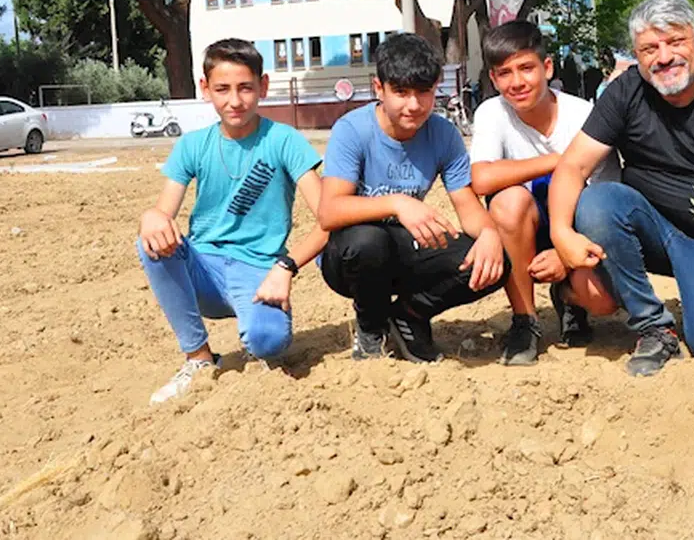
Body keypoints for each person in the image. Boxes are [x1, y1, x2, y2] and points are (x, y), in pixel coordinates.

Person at [549, 0, 694, 376]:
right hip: (643, 229)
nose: (664, 57)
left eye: (675, 42)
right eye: (649, 48)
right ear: (637, 55)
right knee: (598, 204)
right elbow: (572, 166)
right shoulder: (624, 92)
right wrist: (560, 233)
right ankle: (653, 326)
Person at [137, 38, 326, 406]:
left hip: (259, 271)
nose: (235, 101)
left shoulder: (285, 140)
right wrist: (151, 217)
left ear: (263, 86)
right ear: (205, 89)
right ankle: (198, 357)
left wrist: (285, 268)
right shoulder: (193, 145)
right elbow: (164, 213)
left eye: (245, 88)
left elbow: (328, 217)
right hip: (202, 269)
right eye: (222, 89)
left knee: (267, 343)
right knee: (150, 242)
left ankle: (256, 328)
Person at [318, 33, 507, 363]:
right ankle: (370, 330)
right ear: (380, 89)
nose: (414, 105)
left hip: (405, 247)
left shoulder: (443, 134)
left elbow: (466, 203)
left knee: (494, 260)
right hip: (350, 257)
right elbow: (329, 212)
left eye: (424, 92)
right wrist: (397, 203)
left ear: (436, 89)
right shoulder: (352, 130)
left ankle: (408, 314)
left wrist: (490, 234)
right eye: (401, 92)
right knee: (368, 240)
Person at [469, 21, 619, 365]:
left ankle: (568, 298)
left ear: (547, 67)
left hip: (578, 227)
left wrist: (566, 256)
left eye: (526, 68)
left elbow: (607, 195)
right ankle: (525, 321)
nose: (516, 82)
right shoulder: (492, 113)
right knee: (507, 202)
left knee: (604, 301)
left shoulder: (583, 114)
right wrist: (558, 161)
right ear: (493, 80)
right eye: (504, 73)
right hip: (524, 228)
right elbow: (482, 179)